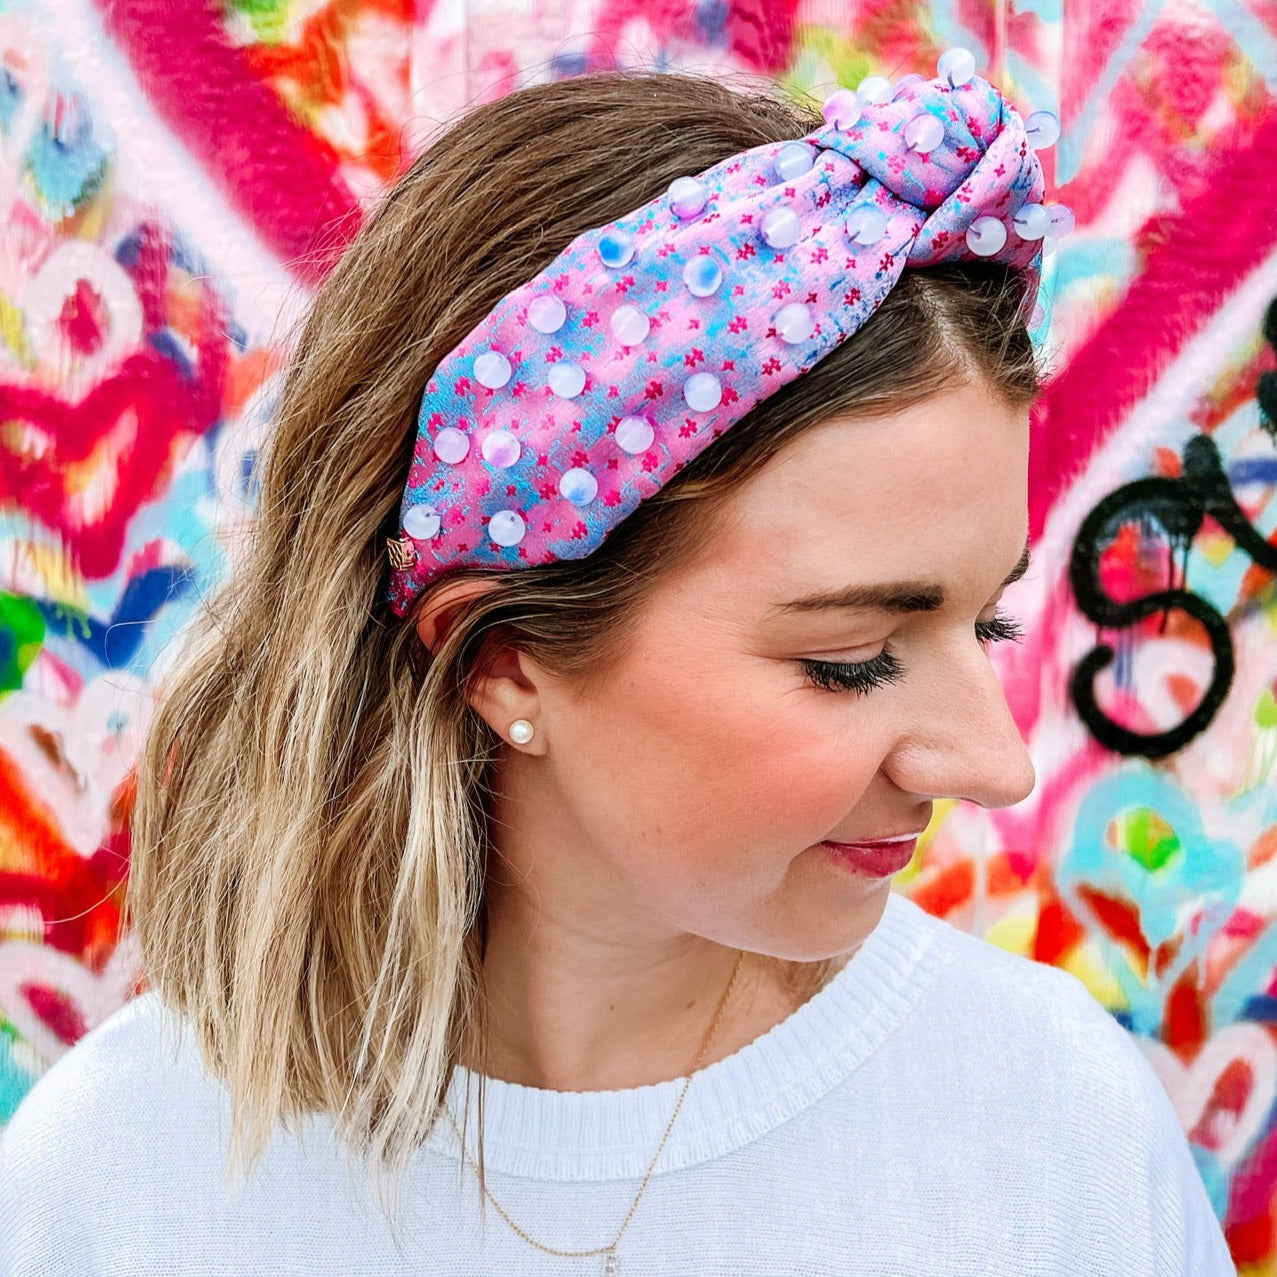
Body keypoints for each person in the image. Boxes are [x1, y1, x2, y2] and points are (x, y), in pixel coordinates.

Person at [0, 52, 1236, 1277]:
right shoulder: (120, 1186)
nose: (994, 762)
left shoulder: (1053, 1136)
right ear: (503, 659)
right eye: (852, 658)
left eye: (985, 623)